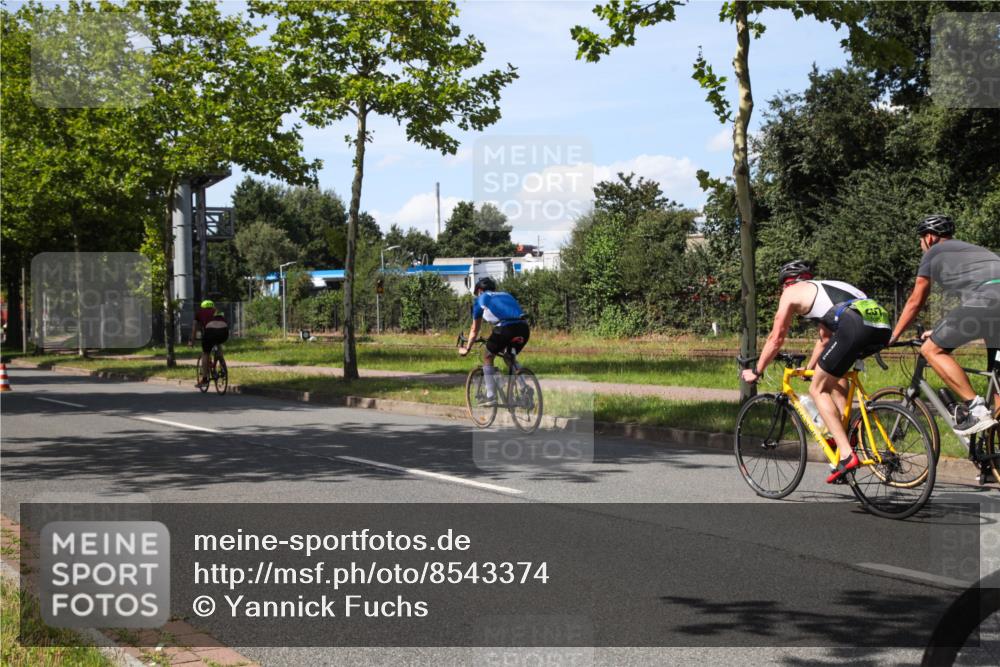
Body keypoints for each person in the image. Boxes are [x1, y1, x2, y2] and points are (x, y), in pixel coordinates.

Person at [741, 260, 891, 483]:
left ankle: (847, 455)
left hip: (854, 325)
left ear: (786, 283)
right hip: (881, 325)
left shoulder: (791, 293)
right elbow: (826, 339)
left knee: (817, 389)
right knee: (835, 379)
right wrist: (810, 368)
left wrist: (757, 369)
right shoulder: (830, 288)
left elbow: (776, 337)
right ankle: (846, 441)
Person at [890, 214, 1000, 436]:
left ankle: (975, 408)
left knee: (931, 349)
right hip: (991, 306)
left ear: (929, 237)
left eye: (921, 240)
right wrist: (939, 328)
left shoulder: (935, 252)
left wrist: (893, 335)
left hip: (988, 301)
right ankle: (994, 464)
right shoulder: (973, 251)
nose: (921, 245)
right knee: (998, 390)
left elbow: (916, 300)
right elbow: (971, 306)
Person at [458, 276, 529, 406]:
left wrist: (467, 348)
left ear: (479, 290)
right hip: (524, 328)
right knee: (509, 357)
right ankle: (525, 388)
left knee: (487, 356)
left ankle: (490, 395)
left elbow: (475, 329)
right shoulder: (506, 294)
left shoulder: (481, 299)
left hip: (506, 329)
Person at [190, 299, 229, 387]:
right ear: (212, 306)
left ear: (202, 307)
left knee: (206, 353)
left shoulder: (199, 313)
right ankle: (221, 361)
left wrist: (192, 340)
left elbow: (194, 328)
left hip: (210, 332)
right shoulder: (218, 312)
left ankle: (204, 379)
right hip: (224, 332)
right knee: (218, 342)